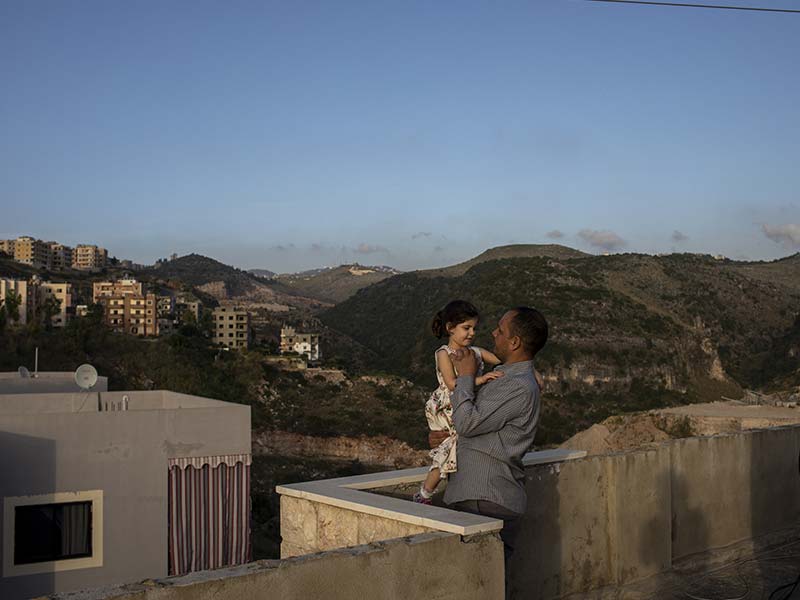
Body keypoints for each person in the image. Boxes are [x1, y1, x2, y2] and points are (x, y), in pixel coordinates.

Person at [430, 306, 548, 572]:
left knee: (483, 583)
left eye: (501, 330)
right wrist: (445, 436)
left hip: (487, 500)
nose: (493, 333)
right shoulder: (507, 377)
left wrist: (468, 376)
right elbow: (472, 421)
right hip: (479, 496)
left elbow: (469, 422)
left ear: (515, 342)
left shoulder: (516, 385)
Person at [413, 300, 505, 504]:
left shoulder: (476, 352)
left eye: (474, 328)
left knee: (456, 445)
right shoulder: (443, 353)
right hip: (447, 404)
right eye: (466, 328)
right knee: (448, 446)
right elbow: (452, 383)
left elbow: (501, 361)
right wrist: (481, 379)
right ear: (450, 328)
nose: (472, 333)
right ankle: (424, 493)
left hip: (465, 400)